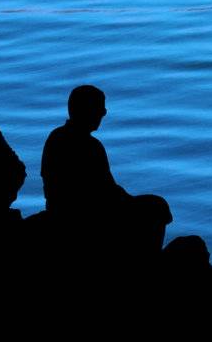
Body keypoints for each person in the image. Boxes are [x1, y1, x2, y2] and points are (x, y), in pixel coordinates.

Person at [39, 85, 171, 257]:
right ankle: (149, 258)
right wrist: (128, 201)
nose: (104, 112)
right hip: (87, 216)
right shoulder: (90, 146)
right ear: (87, 110)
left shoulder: (55, 137)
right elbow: (105, 192)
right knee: (156, 206)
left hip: (61, 210)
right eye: (100, 107)